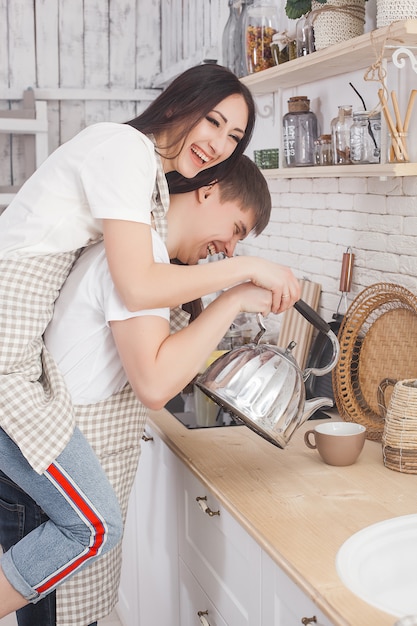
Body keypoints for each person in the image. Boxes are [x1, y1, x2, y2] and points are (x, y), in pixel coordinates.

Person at [0, 62, 300, 619]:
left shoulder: (145, 201)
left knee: (91, 532)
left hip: (19, 364)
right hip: (5, 354)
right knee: (96, 527)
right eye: (214, 121)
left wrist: (230, 287)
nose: (219, 143)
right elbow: (140, 291)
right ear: (179, 103)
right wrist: (244, 277)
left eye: (234, 137)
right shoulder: (126, 152)